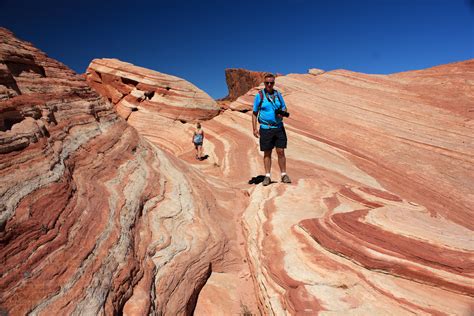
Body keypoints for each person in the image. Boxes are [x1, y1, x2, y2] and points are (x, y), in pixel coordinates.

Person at [252, 73, 291, 186]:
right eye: (267, 83)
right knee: (267, 153)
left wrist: (282, 114)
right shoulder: (260, 95)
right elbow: (254, 113)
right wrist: (254, 128)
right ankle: (267, 176)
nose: (269, 84)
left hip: (278, 127)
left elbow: (284, 107)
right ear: (264, 83)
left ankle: (284, 174)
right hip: (266, 128)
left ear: (274, 83)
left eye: (271, 82)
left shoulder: (278, 94)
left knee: (281, 151)